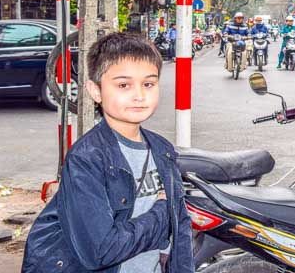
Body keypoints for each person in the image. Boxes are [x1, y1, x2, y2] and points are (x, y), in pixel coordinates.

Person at [22, 33, 194, 273]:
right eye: (124, 85)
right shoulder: (87, 158)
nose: (139, 95)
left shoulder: (162, 150)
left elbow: (181, 234)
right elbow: (101, 250)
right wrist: (161, 212)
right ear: (96, 91)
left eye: (148, 84)